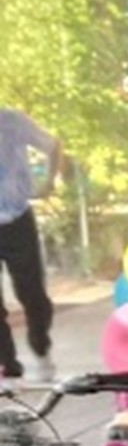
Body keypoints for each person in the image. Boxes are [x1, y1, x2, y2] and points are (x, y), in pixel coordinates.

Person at [0, 107, 61, 381]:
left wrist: (49, 181)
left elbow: (53, 145)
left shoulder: (12, 121)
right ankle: (7, 364)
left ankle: (41, 348)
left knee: (32, 292)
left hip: (17, 218)